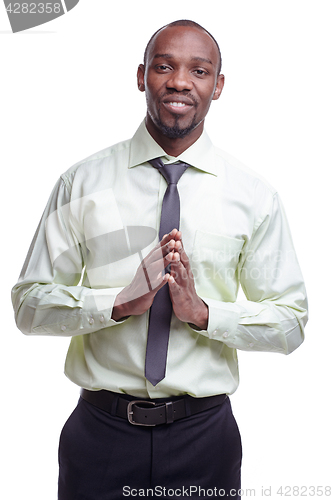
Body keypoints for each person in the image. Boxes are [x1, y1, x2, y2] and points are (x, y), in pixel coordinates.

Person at [12, 20, 308, 500]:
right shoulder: (80, 184)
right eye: (163, 67)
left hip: (204, 440)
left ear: (218, 86)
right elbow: (29, 306)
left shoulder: (253, 196)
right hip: (100, 437)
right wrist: (117, 304)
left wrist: (204, 314)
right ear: (140, 75)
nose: (179, 81)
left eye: (200, 70)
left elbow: (291, 321)